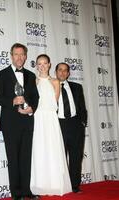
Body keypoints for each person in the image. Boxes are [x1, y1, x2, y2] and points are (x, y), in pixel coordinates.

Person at [0, 43, 39, 200]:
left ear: (25, 56)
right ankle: (16, 193)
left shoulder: (31, 75)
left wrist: (31, 108)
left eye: (22, 54)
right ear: (11, 56)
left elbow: (35, 97)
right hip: (10, 123)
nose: (19, 57)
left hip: (27, 121)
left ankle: (27, 191)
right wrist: (12, 101)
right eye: (16, 54)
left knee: (26, 157)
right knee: (13, 158)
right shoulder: (1, 74)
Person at [30, 54, 71, 196]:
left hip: (51, 119)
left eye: (44, 63)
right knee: (39, 150)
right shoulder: (33, 81)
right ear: (36, 66)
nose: (42, 66)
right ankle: (40, 184)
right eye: (39, 64)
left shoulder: (55, 82)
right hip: (37, 118)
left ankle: (54, 184)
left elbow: (54, 102)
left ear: (49, 65)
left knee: (53, 149)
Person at [56, 62, 87, 193]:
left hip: (75, 125)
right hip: (58, 124)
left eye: (65, 70)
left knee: (75, 157)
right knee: (59, 157)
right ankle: (60, 185)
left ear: (68, 73)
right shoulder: (51, 86)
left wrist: (82, 123)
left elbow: (82, 107)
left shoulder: (77, 87)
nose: (62, 73)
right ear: (56, 72)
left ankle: (75, 185)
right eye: (60, 70)